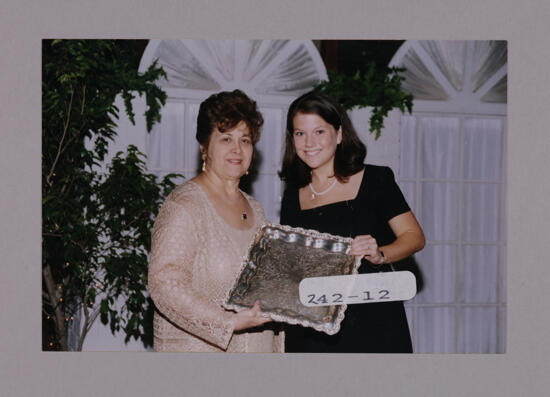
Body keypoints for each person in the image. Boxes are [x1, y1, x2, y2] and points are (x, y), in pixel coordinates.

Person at [279, 91, 425, 353]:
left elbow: (414, 236)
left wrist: (381, 254)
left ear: (339, 134)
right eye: (300, 133)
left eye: (319, 132)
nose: (309, 142)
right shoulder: (292, 194)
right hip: (313, 329)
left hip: (373, 324)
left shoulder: (376, 180)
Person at [148, 89, 282, 352]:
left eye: (245, 140)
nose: (237, 149)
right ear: (204, 147)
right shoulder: (184, 206)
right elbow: (164, 285)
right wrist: (228, 322)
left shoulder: (257, 209)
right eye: (225, 138)